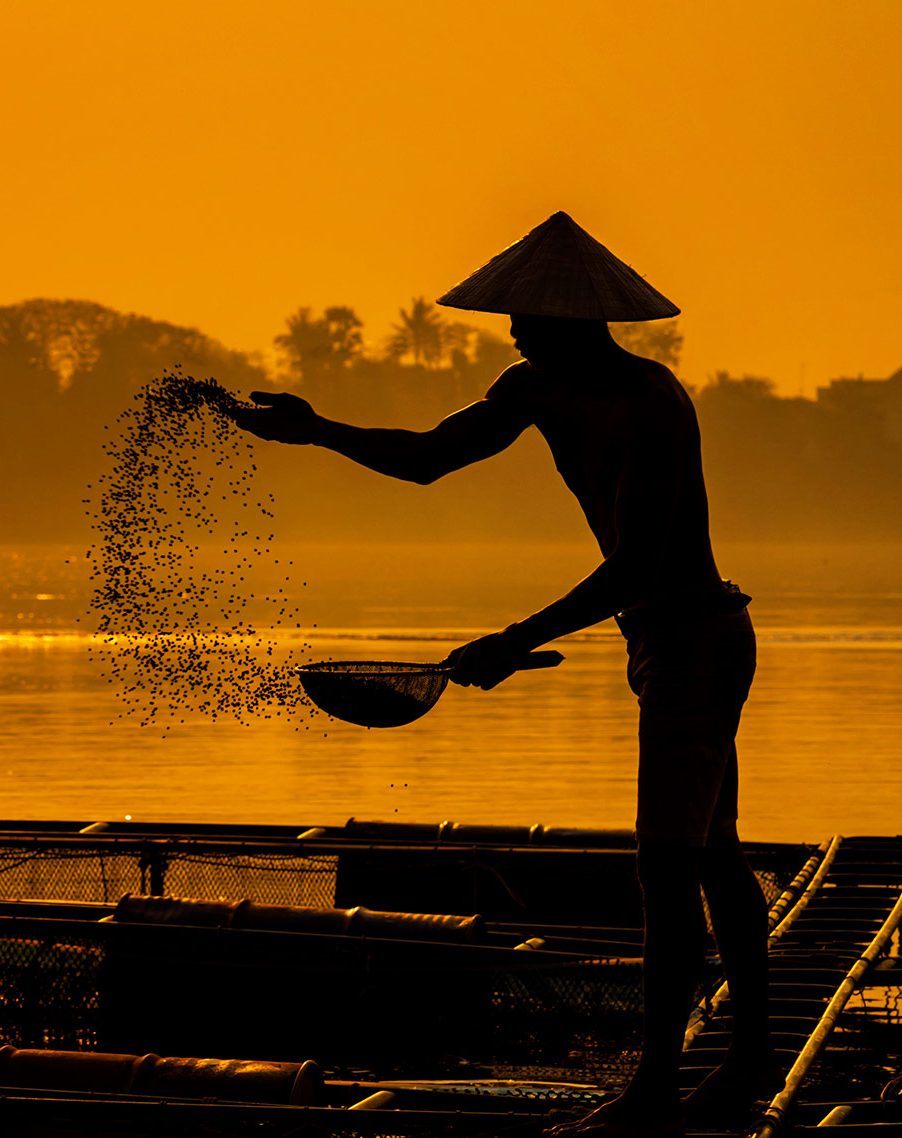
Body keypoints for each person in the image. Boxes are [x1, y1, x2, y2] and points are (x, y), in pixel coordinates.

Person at [228, 212, 769, 1136]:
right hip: (659, 646)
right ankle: (739, 1069)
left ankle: (656, 1094)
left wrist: (512, 639)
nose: (512, 331)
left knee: (669, 865)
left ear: (574, 320)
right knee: (709, 855)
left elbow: (641, 564)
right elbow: (430, 460)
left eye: (525, 317)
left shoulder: (649, 401)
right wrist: (318, 432)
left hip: (697, 642)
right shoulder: (535, 388)